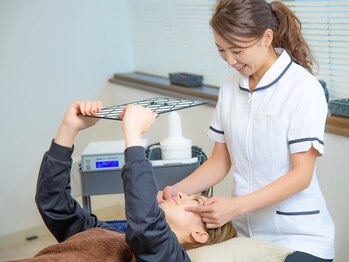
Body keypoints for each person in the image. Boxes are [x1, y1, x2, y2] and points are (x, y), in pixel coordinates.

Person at [158, 1, 335, 261]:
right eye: (221, 50)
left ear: (266, 37)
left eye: (237, 50)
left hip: (298, 238)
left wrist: (233, 208)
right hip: (246, 237)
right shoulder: (230, 86)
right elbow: (219, 162)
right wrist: (176, 189)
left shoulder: (303, 88)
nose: (230, 60)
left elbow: (301, 176)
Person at [35, 101, 236, 261]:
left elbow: (146, 224)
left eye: (196, 200)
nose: (182, 193)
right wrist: (69, 128)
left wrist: (133, 134)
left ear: (200, 234)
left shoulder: (171, 257)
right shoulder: (112, 234)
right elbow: (55, 205)